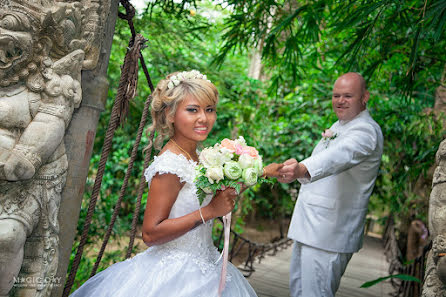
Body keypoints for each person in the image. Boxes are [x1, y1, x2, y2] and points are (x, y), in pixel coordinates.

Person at [70, 70, 258, 297]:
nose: (204, 118)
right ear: (170, 114)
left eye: (209, 110)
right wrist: (209, 211)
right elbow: (150, 234)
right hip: (177, 276)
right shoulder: (169, 165)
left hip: (208, 265)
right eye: (192, 110)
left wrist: (264, 171)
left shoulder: (199, 157)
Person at [276, 72, 384, 297]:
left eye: (348, 96)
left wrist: (301, 169)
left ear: (365, 97)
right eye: (336, 96)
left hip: (330, 232)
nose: (340, 101)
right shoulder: (341, 124)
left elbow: (338, 156)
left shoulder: (366, 130)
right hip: (311, 226)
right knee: (299, 291)